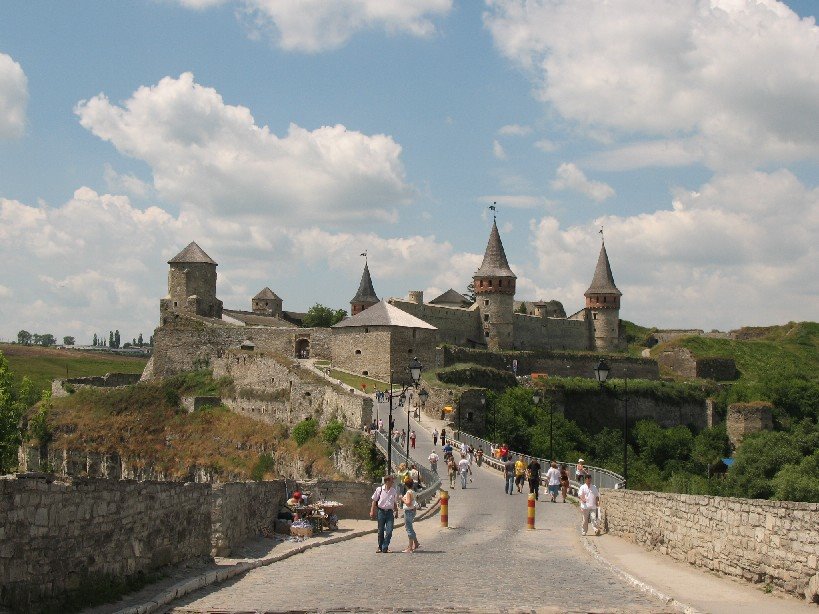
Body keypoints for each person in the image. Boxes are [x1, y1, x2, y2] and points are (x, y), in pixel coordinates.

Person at [370, 475, 399, 552]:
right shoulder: (379, 490)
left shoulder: (393, 491)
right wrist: (372, 511)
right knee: (380, 530)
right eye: (391, 481)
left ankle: (385, 546)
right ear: (387, 481)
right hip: (381, 512)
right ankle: (380, 547)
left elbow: (394, 502)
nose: (392, 482)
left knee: (389, 530)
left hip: (390, 512)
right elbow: (374, 500)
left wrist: (396, 511)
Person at [401, 478, 420, 552]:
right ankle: (416, 542)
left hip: (408, 511)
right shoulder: (413, 492)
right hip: (412, 511)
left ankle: (410, 547)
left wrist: (402, 499)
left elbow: (408, 503)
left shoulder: (408, 492)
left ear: (406, 485)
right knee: (410, 527)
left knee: (408, 528)